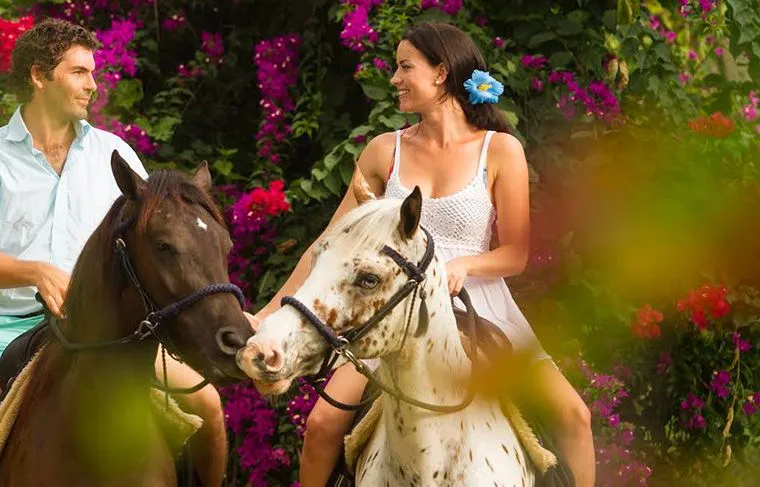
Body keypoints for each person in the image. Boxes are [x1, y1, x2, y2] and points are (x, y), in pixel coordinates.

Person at [250, 21, 595, 487]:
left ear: (441, 72)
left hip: (481, 306)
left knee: (575, 418)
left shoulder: (500, 150)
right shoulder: (383, 152)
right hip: (395, 313)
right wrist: (268, 313)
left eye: (404, 67)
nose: (394, 78)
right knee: (321, 425)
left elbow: (515, 254)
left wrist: (463, 264)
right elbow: (327, 245)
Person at [0, 18, 229, 487]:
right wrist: (37, 272)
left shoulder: (114, 153)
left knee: (208, 407)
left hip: (109, 330)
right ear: (39, 76)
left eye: (93, 73)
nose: (92, 85)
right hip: (8, 330)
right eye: (79, 72)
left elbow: (152, 243)